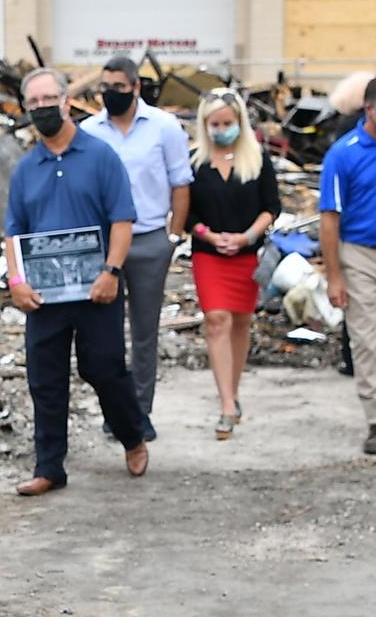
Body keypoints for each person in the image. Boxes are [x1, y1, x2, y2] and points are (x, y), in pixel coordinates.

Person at [4, 67, 149, 498]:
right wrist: (16, 280)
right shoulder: (26, 168)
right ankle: (50, 467)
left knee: (104, 369)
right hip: (44, 297)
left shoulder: (101, 156)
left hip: (97, 289)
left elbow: (122, 220)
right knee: (44, 380)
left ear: (67, 102)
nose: (43, 108)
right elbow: (13, 232)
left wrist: (112, 272)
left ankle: (132, 435)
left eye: (50, 99)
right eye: (34, 103)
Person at [80, 56, 193, 441]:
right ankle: (116, 412)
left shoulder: (164, 127)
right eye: (105, 87)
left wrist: (173, 236)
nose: (111, 94)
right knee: (106, 336)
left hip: (148, 240)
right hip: (103, 244)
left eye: (119, 87)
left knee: (144, 334)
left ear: (136, 87)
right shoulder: (89, 130)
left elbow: (181, 182)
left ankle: (140, 414)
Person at [185, 88, 280, 440]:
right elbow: (185, 214)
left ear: (239, 122)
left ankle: (234, 392)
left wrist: (247, 236)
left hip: (246, 253)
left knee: (241, 321)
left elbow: (271, 206)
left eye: (227, 123)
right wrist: (209, 236)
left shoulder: (257, 160)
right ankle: (225, 403)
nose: (221, 129)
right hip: (208, 253)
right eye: (215, 124)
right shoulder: (194, 162)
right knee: (216, 319)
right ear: (204, 125)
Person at [320, 77, 376, 455]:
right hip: (360, 252)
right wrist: (334, 275)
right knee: (368, 339)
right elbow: (329, 217)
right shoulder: (345, 153)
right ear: (369, 109)